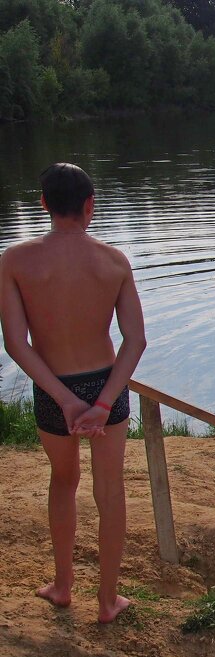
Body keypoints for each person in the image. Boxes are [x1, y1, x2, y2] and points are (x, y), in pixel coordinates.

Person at [0, 163, 147, 624]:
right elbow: (136, 340)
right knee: (110, 490)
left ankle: (63, 587)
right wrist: (102, 402)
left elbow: (16, 344)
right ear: (90, 206)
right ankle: (107, 601)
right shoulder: (114, 261)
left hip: (52, 388)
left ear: (43, 203)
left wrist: (65, 400)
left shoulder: (15, 261)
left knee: (63, 482)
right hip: (106, 385)